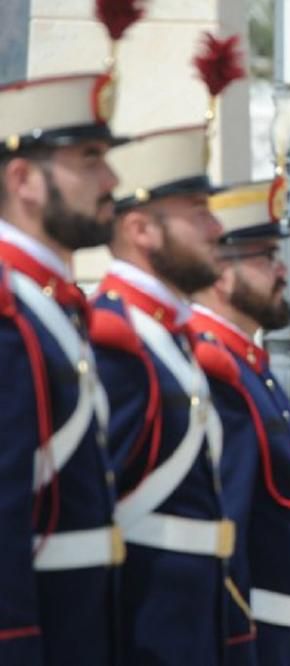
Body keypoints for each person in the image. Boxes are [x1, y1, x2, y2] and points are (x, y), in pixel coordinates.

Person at [88, 125, 230, 663]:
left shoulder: (164, 335)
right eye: (198, 211)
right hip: (143, 631)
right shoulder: (116, 341)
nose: (218, 228)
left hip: (189, 624)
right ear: (142, 229)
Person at [0, 73, 125, 665]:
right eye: (90, 160)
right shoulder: (10, 309)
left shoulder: (49, 304)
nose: (113, 181)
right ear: (23, 179)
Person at [189, 180, 290, 665]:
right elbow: (226, 530)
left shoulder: (248, 366)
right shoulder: (217, 369)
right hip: (253, 634)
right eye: (265, 257)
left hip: (282, 632)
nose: (282, 272)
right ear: (222, 275)